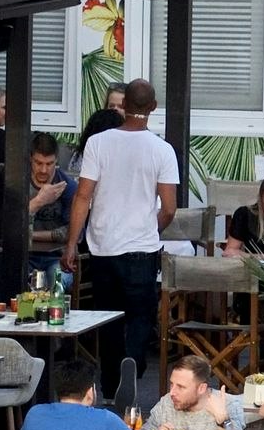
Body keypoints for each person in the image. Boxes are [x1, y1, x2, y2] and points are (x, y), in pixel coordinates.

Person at [68, 81, 182, 380]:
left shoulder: (98, 143)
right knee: (141, 316)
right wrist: (150, 227)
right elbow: (169, 208)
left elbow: (82, 197)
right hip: (142, 248)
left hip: (103, 246)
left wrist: (71, 244)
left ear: (123, 106)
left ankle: (109, 381)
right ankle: (132, 366)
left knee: (108, 318)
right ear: (153, 107)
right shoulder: (163, 150)